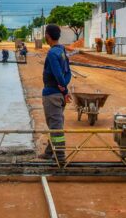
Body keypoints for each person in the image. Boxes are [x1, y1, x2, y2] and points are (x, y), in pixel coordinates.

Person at [41, 24, 71, 162]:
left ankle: (60, 158)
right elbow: (68, 72)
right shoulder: (62, 50)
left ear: (47, 36)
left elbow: (58, 74)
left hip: (52, 94)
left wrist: (63, 89)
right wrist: (65, 90)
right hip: (59, 94)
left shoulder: (52, 53)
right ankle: (49, 151)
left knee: (55, 126)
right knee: (55, 123)